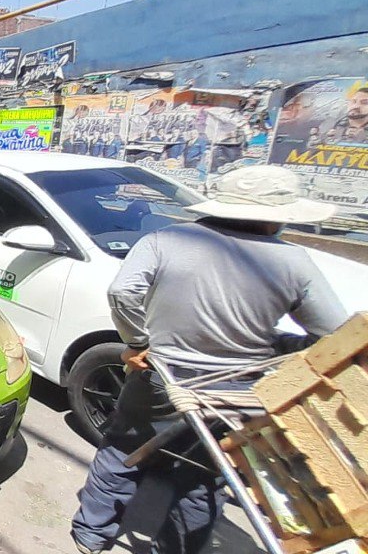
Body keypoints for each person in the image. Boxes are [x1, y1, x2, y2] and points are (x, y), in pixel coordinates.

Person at [70, 164, 349, 554]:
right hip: (233, 394)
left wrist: (136, 344)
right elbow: (334, 335)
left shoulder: (164, 240)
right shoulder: (294, 262)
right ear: (275, 220)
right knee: (202, 476)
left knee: (120, 452)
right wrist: (278, 342)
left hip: (159, 378)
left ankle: (91, 535)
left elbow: (123, 293)